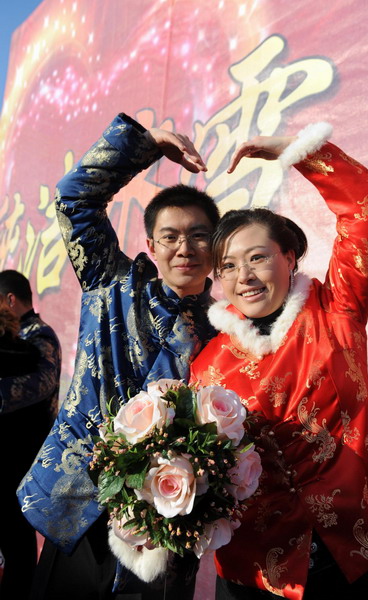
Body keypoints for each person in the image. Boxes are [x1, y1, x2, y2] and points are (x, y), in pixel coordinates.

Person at [189, 123, 368, 599]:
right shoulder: (207, 365)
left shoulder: (336, 313)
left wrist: (300, 152)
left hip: (351, 551)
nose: (243, 276)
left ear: (289, 256)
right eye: (227, 266)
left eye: (258, 257)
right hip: (255, 569)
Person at [17, 113, 219, 600]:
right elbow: (75, 197)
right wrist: (146, 143)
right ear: (151, 244)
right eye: (170, 236)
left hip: (170, 522)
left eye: (198, 236)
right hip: (82, 505)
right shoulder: (112, 282)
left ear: (215, 247)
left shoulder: (226, 329)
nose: (184, 248)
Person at [0, 273, 61, 600]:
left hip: (26, 460)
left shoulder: (40, 335)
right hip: (7, 455)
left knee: (19, 549)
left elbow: (42, 384)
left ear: (10, 300)